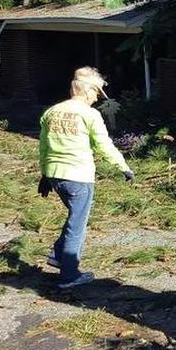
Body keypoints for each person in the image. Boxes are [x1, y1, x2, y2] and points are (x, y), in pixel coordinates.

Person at [38, 66, 134, 289]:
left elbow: (43, 145)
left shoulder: (52, 112)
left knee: (74, 217)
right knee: (77, 225)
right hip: (78, 176)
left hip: (55, 175)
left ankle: (58, 255)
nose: (96, 98)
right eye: (97, 94)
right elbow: (103, 145)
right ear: (88, 91)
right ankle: (69, 275)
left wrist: (44, 174)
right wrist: (124, 167)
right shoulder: (90, 114)